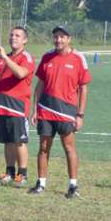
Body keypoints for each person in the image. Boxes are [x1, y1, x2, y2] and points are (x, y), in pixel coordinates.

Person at [29, 26, 91, 198]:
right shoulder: (47, 57)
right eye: (56, 37)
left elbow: (83, 89)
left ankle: (73, 185)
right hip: (46, 110)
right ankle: (41, 183)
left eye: (62, 37)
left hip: (66, 112)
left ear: (68, 39)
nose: (58, 40)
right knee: (43, 148)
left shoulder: (78, 58)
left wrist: (80, 115)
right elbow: (39, 85)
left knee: (69, 148)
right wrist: (35, 110)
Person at [0, 27, 35, 186]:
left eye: (17, 36)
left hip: (17, 106)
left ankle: (22, 174)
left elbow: (20, 73)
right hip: (2, 105)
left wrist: (5, 57)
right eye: (11, 35)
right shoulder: (3, 58)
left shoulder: (26, 57)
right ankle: (10, 172)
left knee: (19, 141)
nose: (13, 38)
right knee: (7, 141)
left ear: (25, 40)